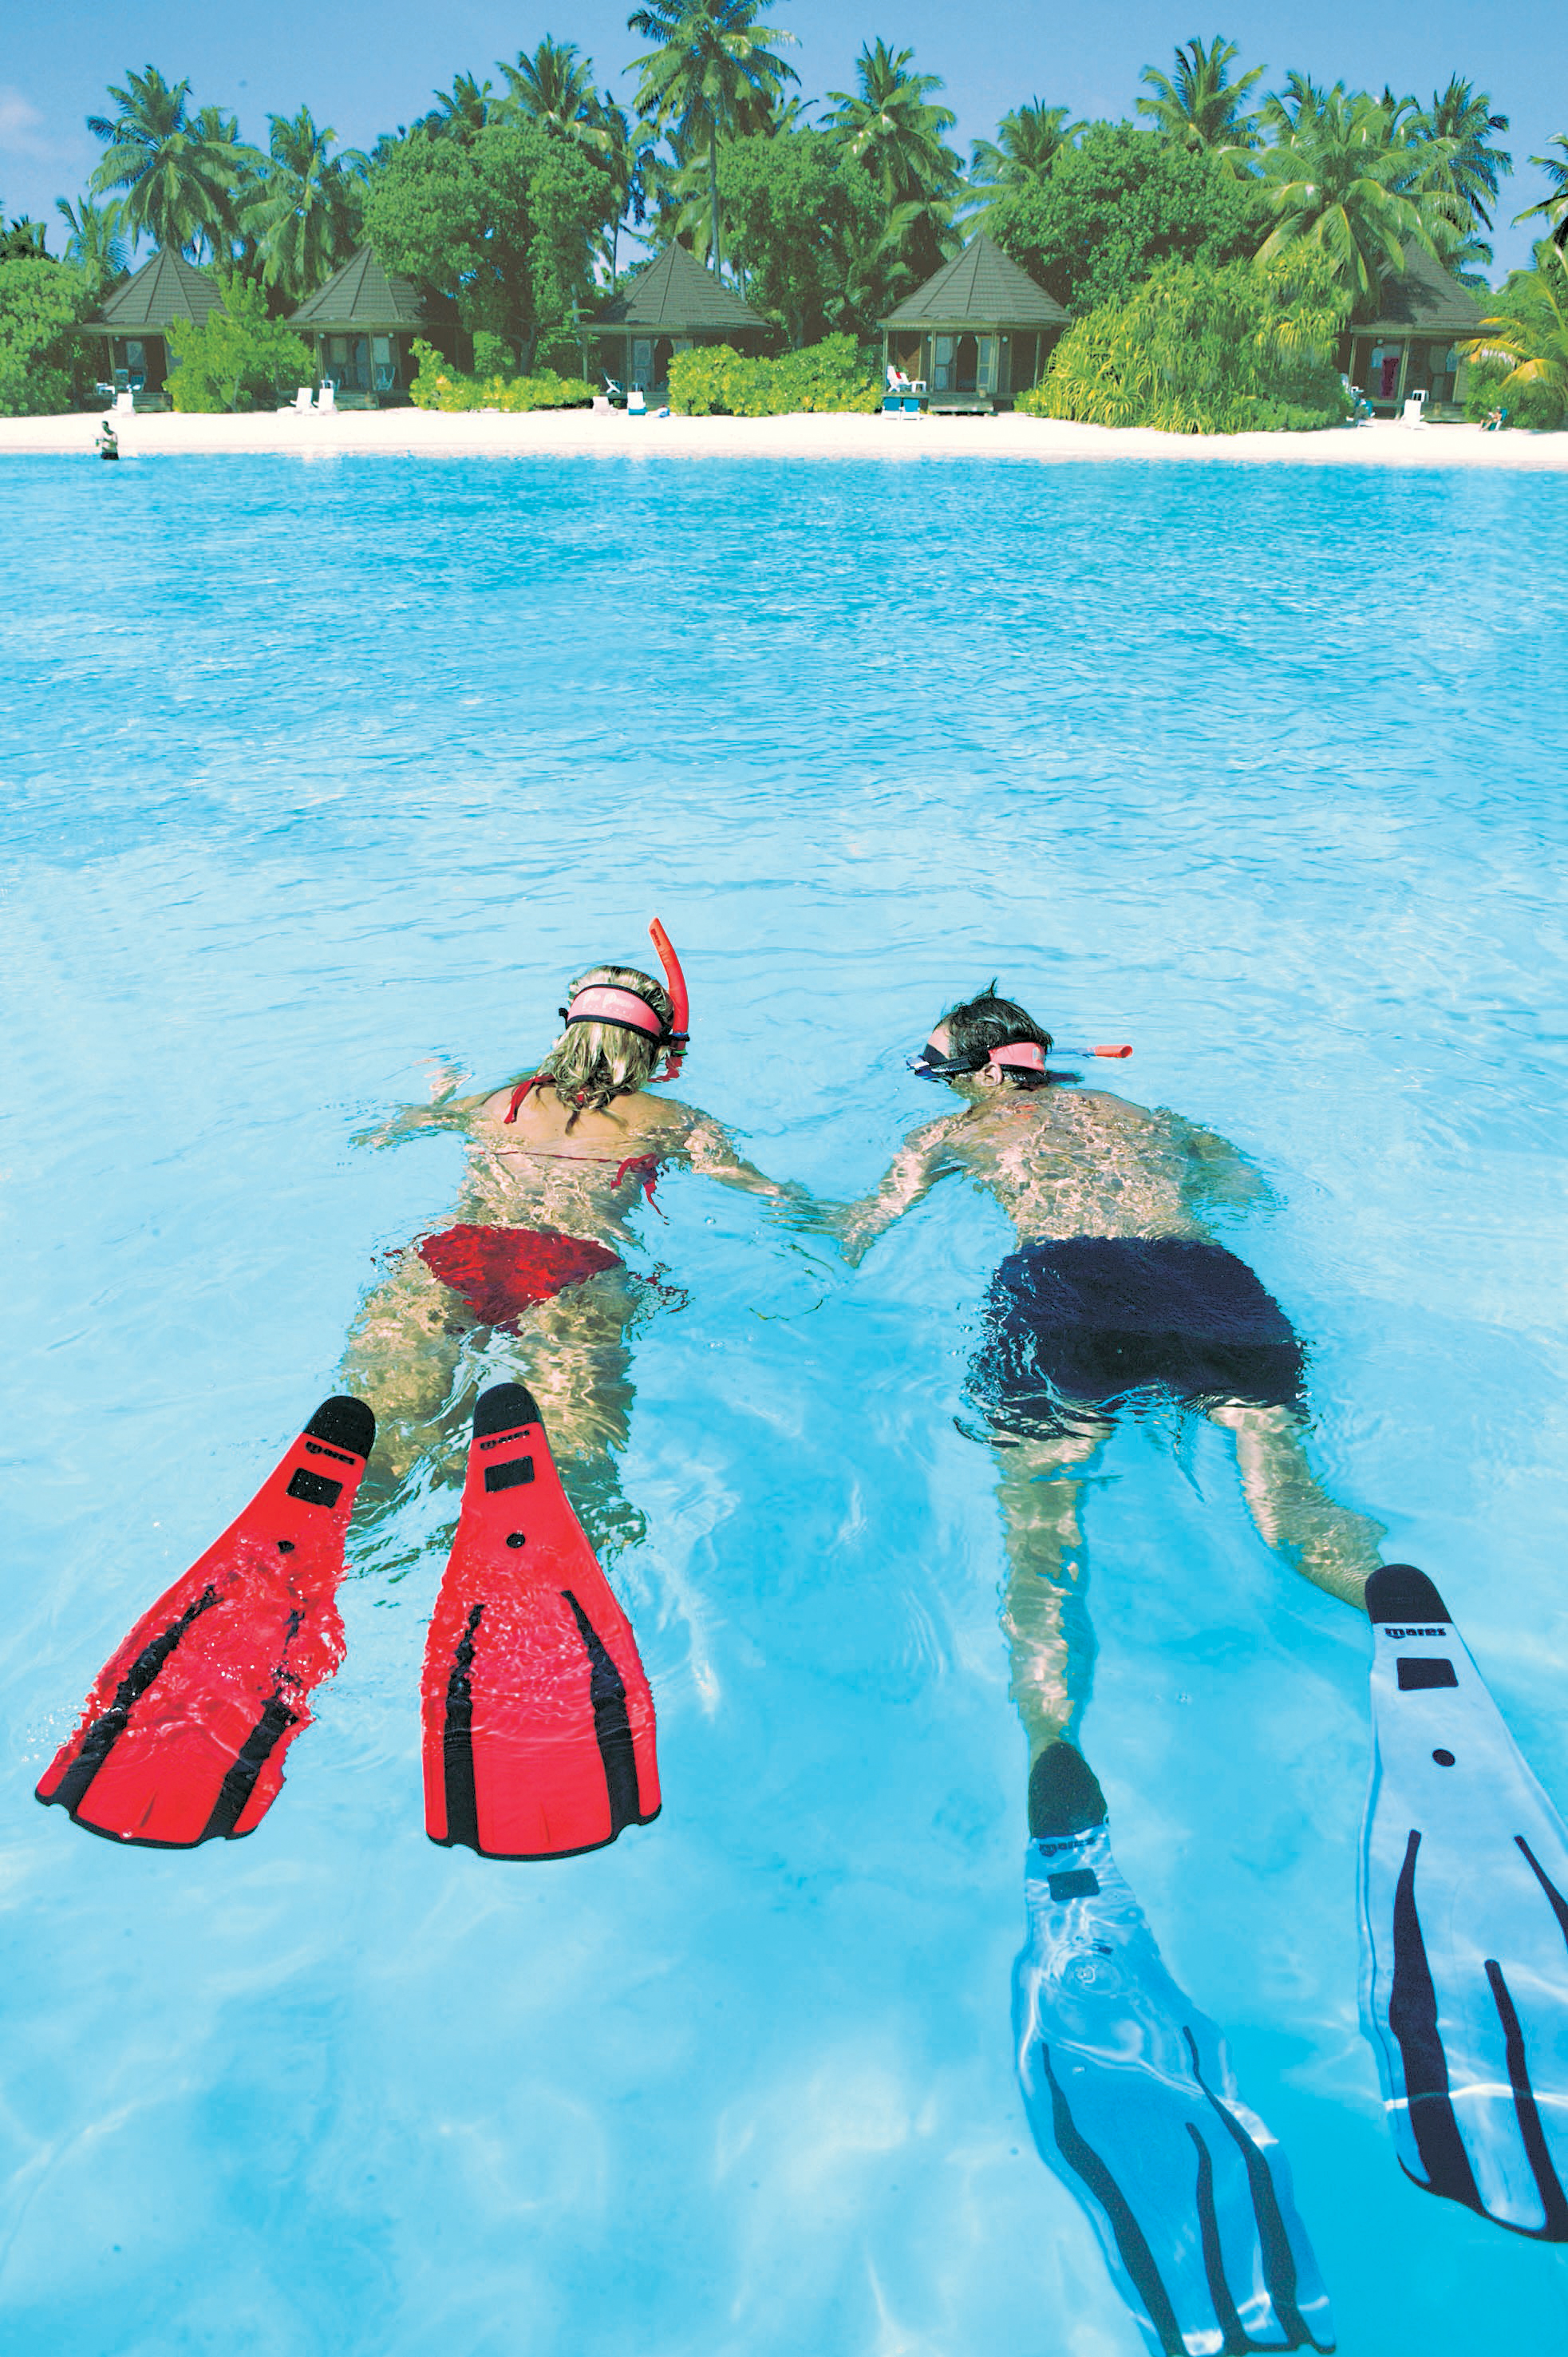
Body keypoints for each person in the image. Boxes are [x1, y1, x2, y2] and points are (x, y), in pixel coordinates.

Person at [828, 984, 1376, 2353]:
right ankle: (1402, 1609)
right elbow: (1248, 1190)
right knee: (1289, 1502)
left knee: (1043, 1537)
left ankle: (1054, 1753)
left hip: (1062, 1287)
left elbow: (856, 1236)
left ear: (953, 1070)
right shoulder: (1151, 1113)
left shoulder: (956, 1134)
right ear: (1049, 1058)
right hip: (1207, 1286)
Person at [340, 925, 803, 1550]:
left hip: (456, 1252)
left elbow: (384, 1134)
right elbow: (767, 1192)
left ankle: (372, 1492)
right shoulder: (673, 1121)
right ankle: (557, 1525)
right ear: (657, 1051)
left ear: (566, 1029)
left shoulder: (496, 1100)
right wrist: (818, 1211)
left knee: (384, 1418)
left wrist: (443, 1097)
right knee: (568, 1454)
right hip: (573, 1271)